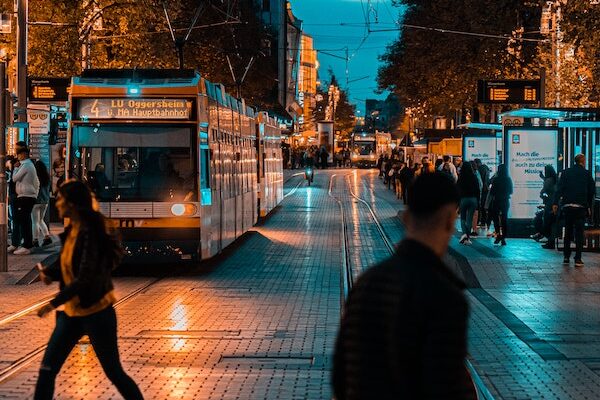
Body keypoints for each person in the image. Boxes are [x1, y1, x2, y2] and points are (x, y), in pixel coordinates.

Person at [333, 172, 476, 400]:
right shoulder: (445, 297)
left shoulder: (366, 283)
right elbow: (446, 386)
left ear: (407, 217)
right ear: (450, 218)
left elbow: (340, 376)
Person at [34, 180, 144, 400]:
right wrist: (50, 273)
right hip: (72, 314)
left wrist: (52, 304)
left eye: (61, 198)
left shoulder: (92, 232)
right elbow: (70, 266)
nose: (57, 203)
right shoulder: (73, 230)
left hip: (97, 313)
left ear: (73, 204)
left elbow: (85, 277)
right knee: (47, 370)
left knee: (114, 372)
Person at [553, 154, 595, 266]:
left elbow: (559, 188)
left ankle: (566, 257)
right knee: (579, 233)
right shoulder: (586, 174)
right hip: (580, 207)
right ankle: (578, 259)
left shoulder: (566, 172)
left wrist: (555, 203)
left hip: (567, 206)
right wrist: (588, 206)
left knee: (568, 231)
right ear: (583, 161)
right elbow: (591, 190)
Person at [9, 146, 40, 255]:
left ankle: (27, 245)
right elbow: (36, 182)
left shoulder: (26, 165)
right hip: (26, 196)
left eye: (19, 154)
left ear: (24, 154)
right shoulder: (28, 165)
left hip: (26, 196)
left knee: (24, 221)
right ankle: (24, 244)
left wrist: (16, 168)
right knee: (24, 220)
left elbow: (14, 178)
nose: (18, 157)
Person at [457, 161, 480, 245]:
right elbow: (478, 189)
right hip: (473, 199)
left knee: (463, 217)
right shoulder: (474, 177)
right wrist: (478, 200)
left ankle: (464, 235)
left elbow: (457, 190)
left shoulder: (461, 177)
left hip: (463, 199)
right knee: (469, 218)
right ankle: (468, 237)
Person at [489, 164, 513, 246]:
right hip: (505, 201)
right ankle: (503, 238)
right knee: (504, 219)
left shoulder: (496, 179)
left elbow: (492, 192)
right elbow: (511, 191)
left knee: (495, 218)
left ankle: (498, 234)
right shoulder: (508, 179)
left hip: (496, 201)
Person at [33, 160, 52, 248]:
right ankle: (47, 237)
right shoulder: (47, 178)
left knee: (35, 222)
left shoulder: (35, 177)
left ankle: (35, 240)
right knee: (40, 220)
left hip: (36, 201)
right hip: (45, 201)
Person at [540, 165, 558, 249]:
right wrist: (543, 178)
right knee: (553, 223)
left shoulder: (549, 180)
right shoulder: (555, 179)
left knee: (547, 222)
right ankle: (551, 241)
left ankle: (550, 241)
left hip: (550, 203)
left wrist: (541, 194)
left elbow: (544, 189)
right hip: (555, 202)